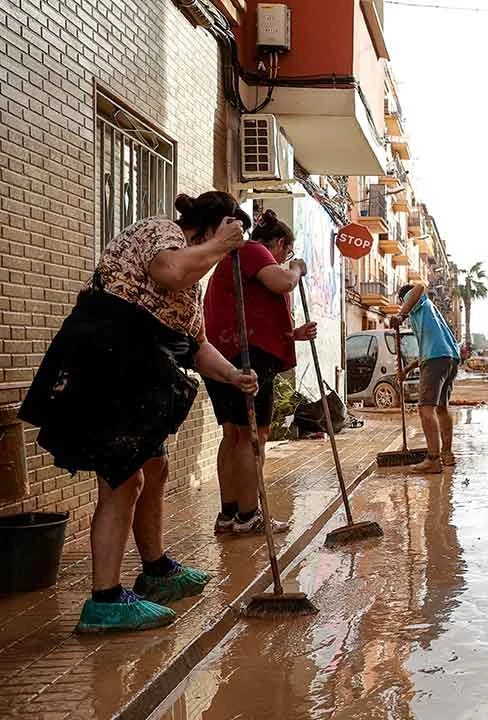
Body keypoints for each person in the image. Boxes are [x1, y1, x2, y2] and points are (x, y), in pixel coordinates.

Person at [20, 192, 258, 633]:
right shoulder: (161, 233)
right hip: (103, 359)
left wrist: (233, 375)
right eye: (219, 240)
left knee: (155, 465)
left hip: (137, 369)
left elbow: (196, 345)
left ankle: (156, 570)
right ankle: (105, 600)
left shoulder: (193, 281)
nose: (216, 257)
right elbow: (169, 270)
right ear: (207, 229)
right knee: (124, 478)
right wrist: (220, 246)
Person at [202, 209, 316, 536]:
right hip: (245, 359)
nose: (283, 259)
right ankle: (249, 515)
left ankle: (230, 514)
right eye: (285, 252)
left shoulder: (234, 260)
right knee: (254, 436)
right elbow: (283, 282)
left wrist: (291, 334)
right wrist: (295, 268)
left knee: (233, 434)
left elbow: (248, 315)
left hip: (220, 356)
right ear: (279, 244)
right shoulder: (253, 251)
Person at [391, 283, 460, 473]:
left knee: (424, 409)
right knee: (441, 408)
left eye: (402, 303)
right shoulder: (427, 314)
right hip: (449, 358)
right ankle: (446, 454)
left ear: (405, 300)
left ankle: (433, 459)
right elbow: (425, 351)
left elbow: (420, 287)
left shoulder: (419, 303)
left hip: (437, 358)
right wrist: (406, 369)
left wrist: (401, 314)